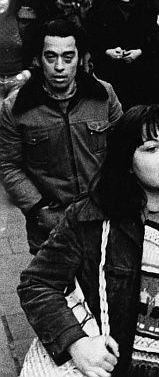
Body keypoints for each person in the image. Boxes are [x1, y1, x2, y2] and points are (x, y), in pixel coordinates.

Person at [19, 104, 159, 376]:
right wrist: (77, 343)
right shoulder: (91, 216)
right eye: (151, 148)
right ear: (127, 162)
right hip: (107, 367)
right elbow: (37, 284)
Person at [0, 20, 123, 253]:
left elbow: (124, 149)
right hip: (50, 228)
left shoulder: (103, 96)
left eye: (68, 57)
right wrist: (38, 208)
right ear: (38, 60)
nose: (59, 66)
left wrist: (115, 196)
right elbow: (8, 165)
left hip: (103, 219)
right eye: (51, 57)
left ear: (80, 58)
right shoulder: (16, 108)